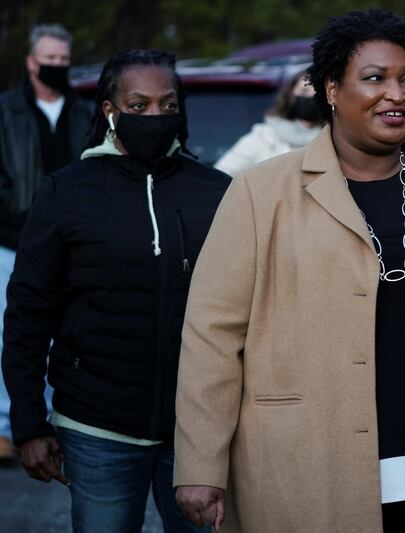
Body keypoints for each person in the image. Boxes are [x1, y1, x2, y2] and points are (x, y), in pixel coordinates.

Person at [174, 9, 405, 532]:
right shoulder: (260, 192)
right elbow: (211, 334)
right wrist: (200, 462)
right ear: (329, 88)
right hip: (308, 463)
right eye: (374, 78)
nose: (396, 94)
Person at [1, 49, 230, 532]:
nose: (155, 116)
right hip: (96, 430)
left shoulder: (217, 192)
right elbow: (28, 313)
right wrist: (28, 423)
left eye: (168, 106)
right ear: (110, 110)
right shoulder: (67, 191)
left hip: (195, 435)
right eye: (139, 104)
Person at [0, 23, 92, 461]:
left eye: (63, 59)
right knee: (12, 332)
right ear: (31, 62)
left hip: (71, 243)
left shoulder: (83, 112)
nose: (57, 65)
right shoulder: (5, 111)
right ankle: (5, 426)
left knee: (66, 332)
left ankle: (59, 421)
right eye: (49, 59)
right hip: (13, 240)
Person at [214, 70, 322, 175]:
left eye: (317, 92)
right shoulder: (263, 139)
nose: (311, 97)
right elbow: (220, 177)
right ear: (290, 95)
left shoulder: (333, 140)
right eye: (304, 91)